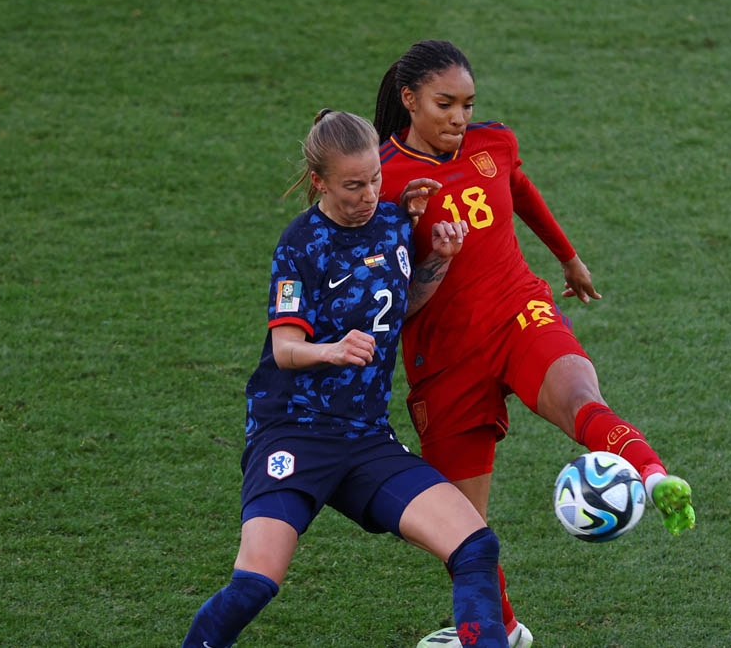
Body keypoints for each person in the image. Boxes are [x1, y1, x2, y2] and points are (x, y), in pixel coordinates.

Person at [373, 40, 696, 647]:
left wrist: (568, 259)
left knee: (581, 400)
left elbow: (518, 189)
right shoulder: (381, 181)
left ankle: (651, 475)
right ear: (409, 99)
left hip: (520, 311)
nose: (460, 119)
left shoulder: (494, 144)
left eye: (468, 105)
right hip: (444, 360)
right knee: (463, 531)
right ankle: (507, 630)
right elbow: (381, 290)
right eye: (446, 105)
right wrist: (419, 242)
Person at [181, 109, 507, 648]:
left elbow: (397, 309)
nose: (369, 193)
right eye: (354, 185)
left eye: (375, 178)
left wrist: (439, 262)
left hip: (365, 437)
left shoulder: (394, 223)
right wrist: (332, 350)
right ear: (320, 183)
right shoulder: (300, 245)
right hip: (293, 432)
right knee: (256, 583)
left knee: (475, 545)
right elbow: (285, 350)